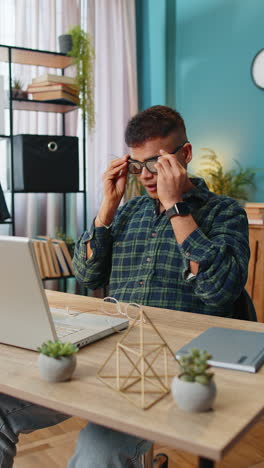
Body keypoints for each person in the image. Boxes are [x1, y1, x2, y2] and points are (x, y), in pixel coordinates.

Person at [0, 106, 250, 468]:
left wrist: (175, 205)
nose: (146, 176)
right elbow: (86, 276)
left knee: (97, 452)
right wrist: (108, 206)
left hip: (169, 362)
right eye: (137, 165)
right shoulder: (130, 212)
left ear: (186, 155)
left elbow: (218, 290)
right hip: (107, 351)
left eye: (156, 163)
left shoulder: (225, 212)